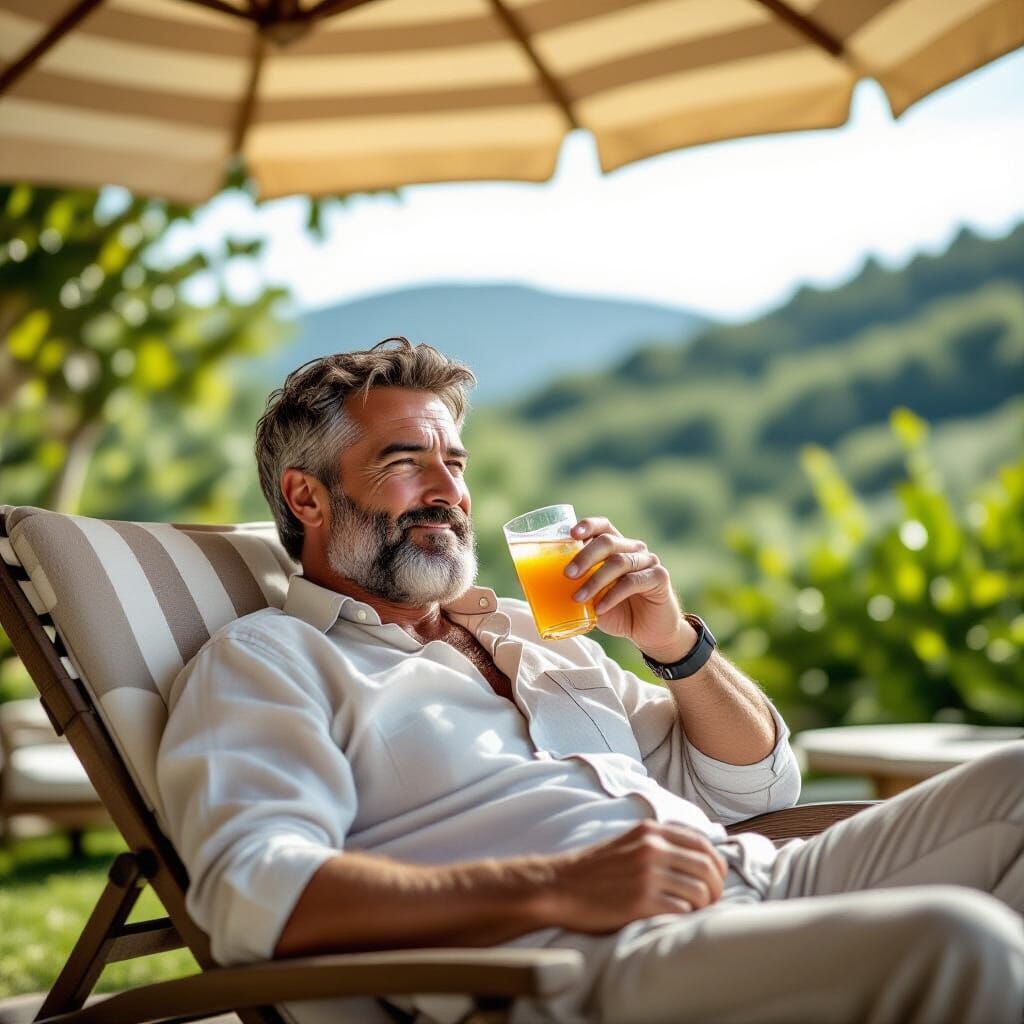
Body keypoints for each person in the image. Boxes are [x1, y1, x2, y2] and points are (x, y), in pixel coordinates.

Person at [156, 339, 1024, 1024]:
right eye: (404, 462)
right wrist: (556, 886)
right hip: (582, 963)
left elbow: (755, 782)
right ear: (307, 500)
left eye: (454, 463)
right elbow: (251, 894)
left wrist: (675, 641)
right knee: (962, 941)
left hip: (761, 880)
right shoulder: (269, 661)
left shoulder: (533, 634)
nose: (448, 492)